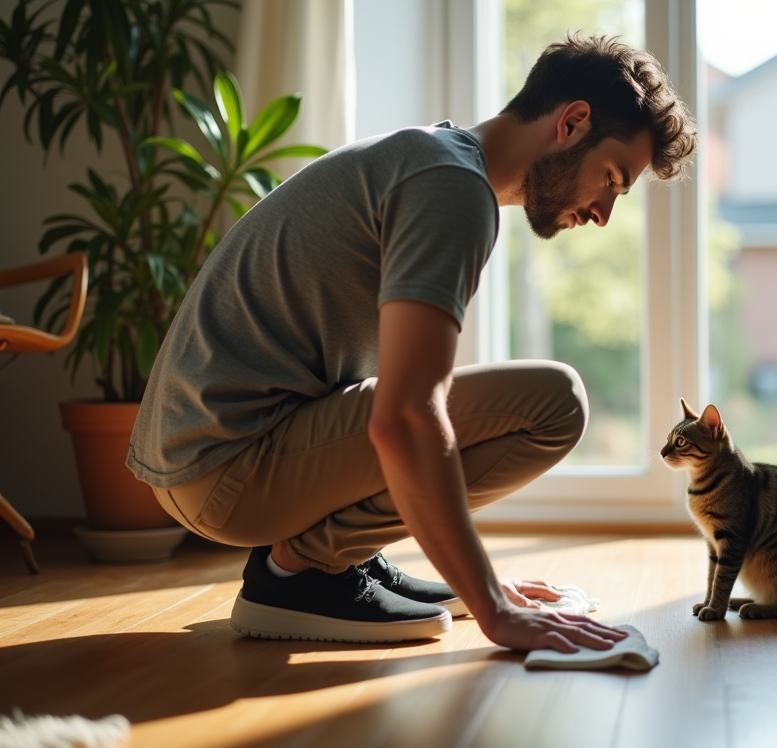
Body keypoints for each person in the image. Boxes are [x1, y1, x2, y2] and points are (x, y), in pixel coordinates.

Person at [126, 34, 697, 652]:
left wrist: (483, 585)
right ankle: (299, 572)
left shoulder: (436, 157)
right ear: (573, 122)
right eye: (612, 179)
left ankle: (337, 556)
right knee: (556, 403)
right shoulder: (453, 189)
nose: (604, 213)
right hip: (224, 467)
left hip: (201, 455)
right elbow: (404, 416)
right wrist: (495, 608)